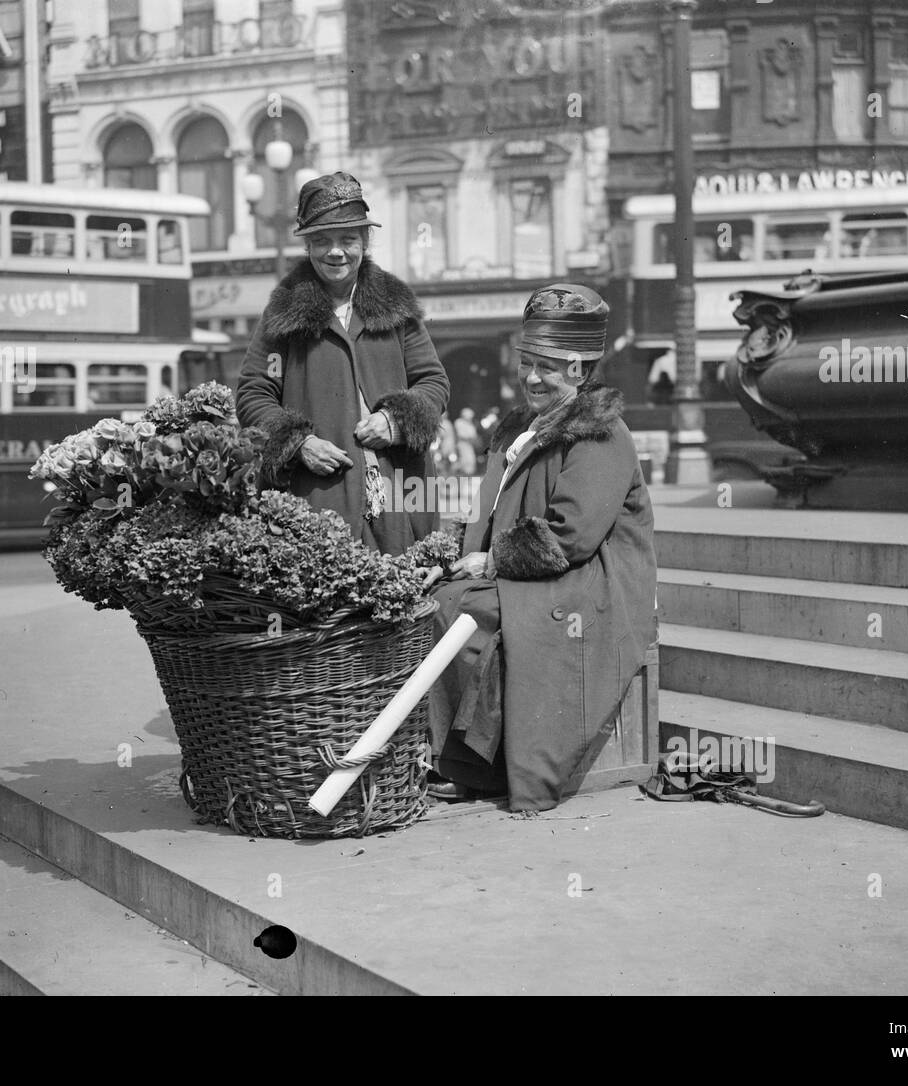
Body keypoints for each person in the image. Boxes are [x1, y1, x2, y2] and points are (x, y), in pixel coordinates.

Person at [423, 284, 657, 812]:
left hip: (594, 581)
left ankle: (485, 768)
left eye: (547, 367)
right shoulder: (525, 429)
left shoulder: (601, 435)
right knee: (446, 599)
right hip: (543, 570)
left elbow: (572, 537)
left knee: (470, 607)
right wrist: (454, 554)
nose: (530, 377)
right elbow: (492, 512)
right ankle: (468, 762)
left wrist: (491, 560)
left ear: (579, 370)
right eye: (526, 362)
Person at [237, 172, 450, 555]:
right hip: (316, 497)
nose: (336, 252)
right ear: (307, 246)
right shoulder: (283, 311)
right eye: (321, 241)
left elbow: (433, 382)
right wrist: (298, 444)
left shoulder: (396, 305)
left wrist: (397, 422)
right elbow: (255, 392)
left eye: (348, 239)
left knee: (404, 600)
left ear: (364, 242)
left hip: (401, 497)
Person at [453, 406, 478, 475]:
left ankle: (468, 475)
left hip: (470, 445)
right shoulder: (459, 422)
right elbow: (460, 435)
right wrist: (468, 439)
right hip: (462, 444)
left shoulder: (471, 424)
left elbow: (474, 436)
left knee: (471, 460)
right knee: (464, 460)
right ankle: (460, 474)